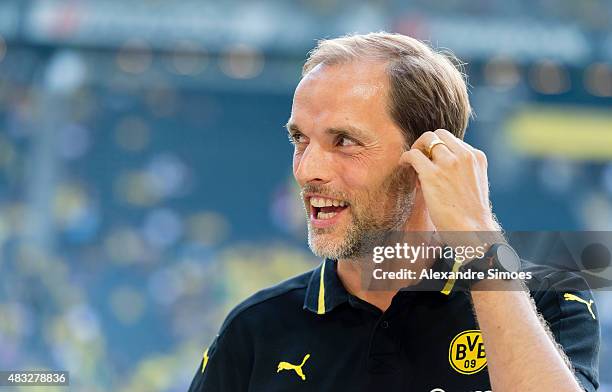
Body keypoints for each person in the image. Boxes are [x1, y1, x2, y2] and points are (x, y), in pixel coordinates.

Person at [188, 32, 599, 391]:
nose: (307, 170)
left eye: (345, 141)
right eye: (300, 139)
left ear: (429, 156)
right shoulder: (256, 329)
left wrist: (477, 236)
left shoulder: (547, 298)